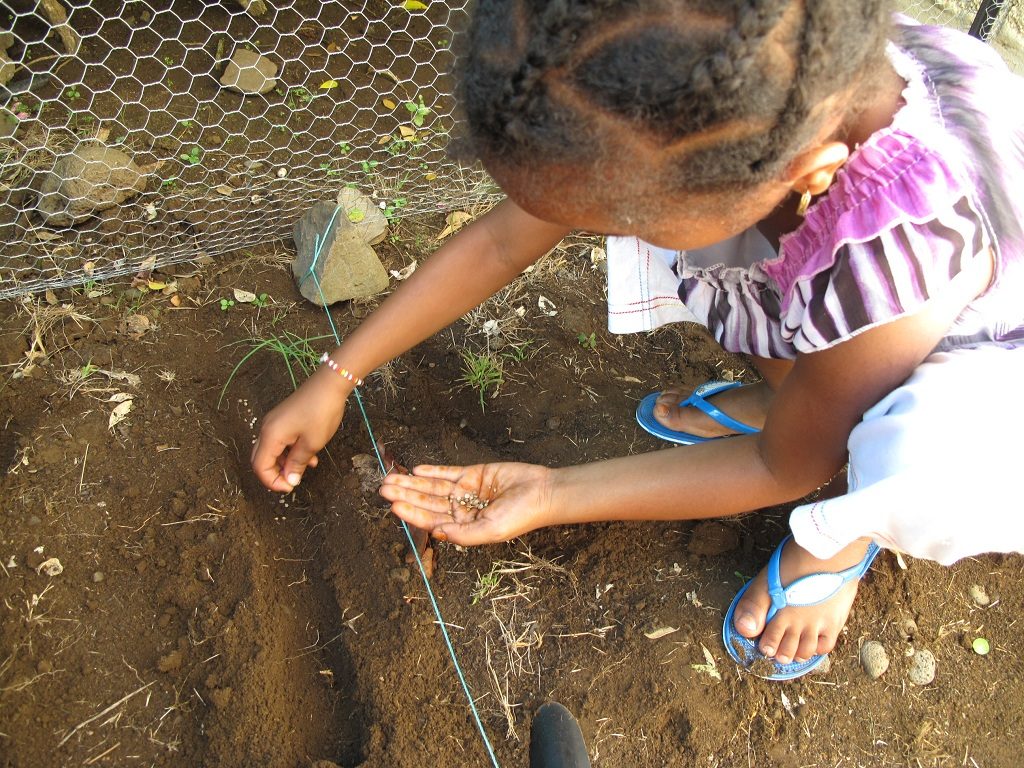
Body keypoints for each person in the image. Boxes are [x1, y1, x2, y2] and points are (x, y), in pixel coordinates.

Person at [253, 1, 1024, 680]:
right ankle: (803, 393)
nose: (605, 233)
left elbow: (775, 463)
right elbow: (500, 244)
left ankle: (841, 536)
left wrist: (555, 494)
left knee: (891, 451)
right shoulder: (731, 86)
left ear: (804, 171)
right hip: (850, 286)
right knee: (765, 289)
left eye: (621, 220)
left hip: (982, 377)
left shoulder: (891, 257)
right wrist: (338, 373)